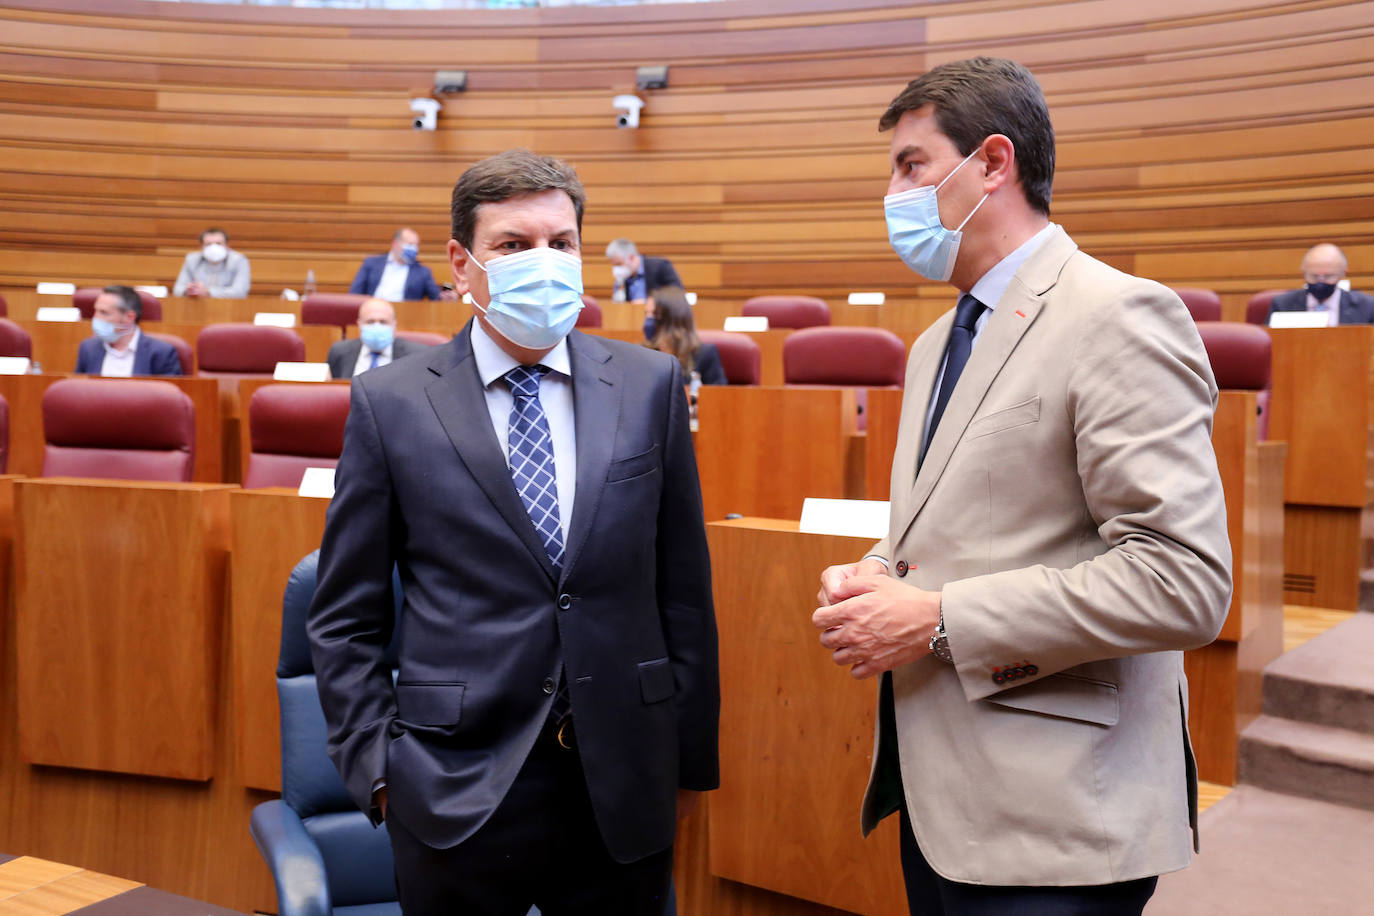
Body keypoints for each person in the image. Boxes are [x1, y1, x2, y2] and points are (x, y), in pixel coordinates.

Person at [812, 57, 1231, 915]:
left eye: (912, 165)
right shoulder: (933, 345)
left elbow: (1182, 583)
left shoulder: (1117, 314)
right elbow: (970, 524)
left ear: (993, 164)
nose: (892, 192)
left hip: (1058, 818)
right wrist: (883, 573)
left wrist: (935, 617)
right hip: (944, 801)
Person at [308, 149, 719, 915]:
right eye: (513, 245)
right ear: (462, 266)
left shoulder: (649, 385)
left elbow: (683, 594)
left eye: (561, 244)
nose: (545, 262)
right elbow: (343, 615)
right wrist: (380, 768)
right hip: (451, 787)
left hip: (622, 785)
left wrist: (688, 764)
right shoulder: (388, 403)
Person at [74, 285, 182, 377]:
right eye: (95, 311)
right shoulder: (88, 348)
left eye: (104, 313)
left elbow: (169, 399)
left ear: (129, 317)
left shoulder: (162, 353)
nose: (96, 318)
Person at [1266, 243, 1374, 325]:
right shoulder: (1282, 305)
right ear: (1303, 272)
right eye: (1314, 276)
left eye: (1328, 276)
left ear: (1343, 274)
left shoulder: (1367, 306)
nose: (1320, 282)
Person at [325, 297, 429, 379]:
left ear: (394, 324)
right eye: (370, 322)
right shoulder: (339, 351)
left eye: (383, 322)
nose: (377, 326)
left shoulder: (416, 355)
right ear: (359, 324)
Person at [646, 285, 726, 385]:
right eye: (647, 314)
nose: (648, 320)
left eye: (655, 314)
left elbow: (716, 397)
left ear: (674, 318)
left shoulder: (705, 354)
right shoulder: (643, 353)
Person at [349, 228, 456, 301]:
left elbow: (436, 297)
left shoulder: (422, 272)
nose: (413, 248)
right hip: (373, 313)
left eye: (416, 245)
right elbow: (354, 294)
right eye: (409, 244)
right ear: (395, 244)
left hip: (405, 318)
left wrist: (446, 297)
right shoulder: (371, 264)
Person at [172, 228, 251, 298]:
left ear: (227, 246)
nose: (214, 247)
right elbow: (177, 289)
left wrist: (208, 292)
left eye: (218, 243)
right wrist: (188, 291)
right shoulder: (192, 260)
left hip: (229, 308)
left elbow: (240, 292)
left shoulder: (239, 260)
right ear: (202, 247)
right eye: (208, 244)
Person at [605, 238, 681, 308]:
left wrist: (648, 302)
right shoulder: (622, 279)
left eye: (619, 264)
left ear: (631, 258)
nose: (617, 269)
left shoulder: (660, 266)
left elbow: (677, 293)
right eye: (614, 265)